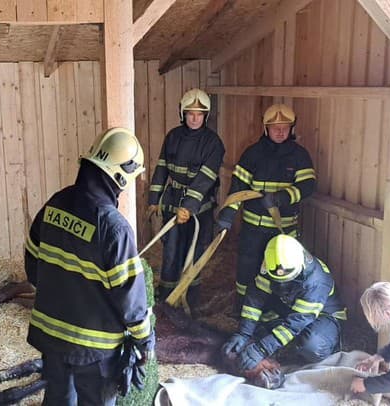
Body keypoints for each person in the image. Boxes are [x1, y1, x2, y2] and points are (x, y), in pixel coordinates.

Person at [24, 128, 154, 406]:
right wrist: (145, 341)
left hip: (51, 339)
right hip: (95, 351)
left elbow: (32, 266)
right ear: (120, 175)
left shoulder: (54, 204)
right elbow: (131, 301)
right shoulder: (114, 229)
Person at [215, 103, 316, 300]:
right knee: (247, 268)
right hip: (252, 229)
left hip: (284, 231)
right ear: (266, 128)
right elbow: (238, 188)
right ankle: (242, 307)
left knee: (281, 271)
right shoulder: (252, 153)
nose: (280, 132)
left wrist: (281, 198)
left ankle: (276, 310)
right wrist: (226, 218)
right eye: (275, 128)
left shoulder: (300, 156)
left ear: (292, 129)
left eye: (285, 127)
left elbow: (308, 186)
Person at [146, 88, 225, 304]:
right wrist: (154, 199)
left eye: (199, 114)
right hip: (173, 203)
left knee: (195, 252)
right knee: (171, 250)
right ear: (182, 113)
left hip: (200, 209)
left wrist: (189, 207)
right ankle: (168, 298)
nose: (194, 118)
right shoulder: (172, 137)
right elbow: (161, 168)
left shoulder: (213, 143)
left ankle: (192, 297)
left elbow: (205, 180)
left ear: (206, 116)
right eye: (190, 113)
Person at [221, 235, 346, 370]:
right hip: (291, 308)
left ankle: (326, 344)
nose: (281, 285)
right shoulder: (271, 264)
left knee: (313, 346)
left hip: (325, 316)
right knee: (260, 327)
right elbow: (255, 299)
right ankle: (286, 342)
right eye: (278, 280)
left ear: (300, 267)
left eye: (287, 280)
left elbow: (297, 322)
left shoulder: (316, 282)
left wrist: (262, 349)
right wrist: (243, 333)